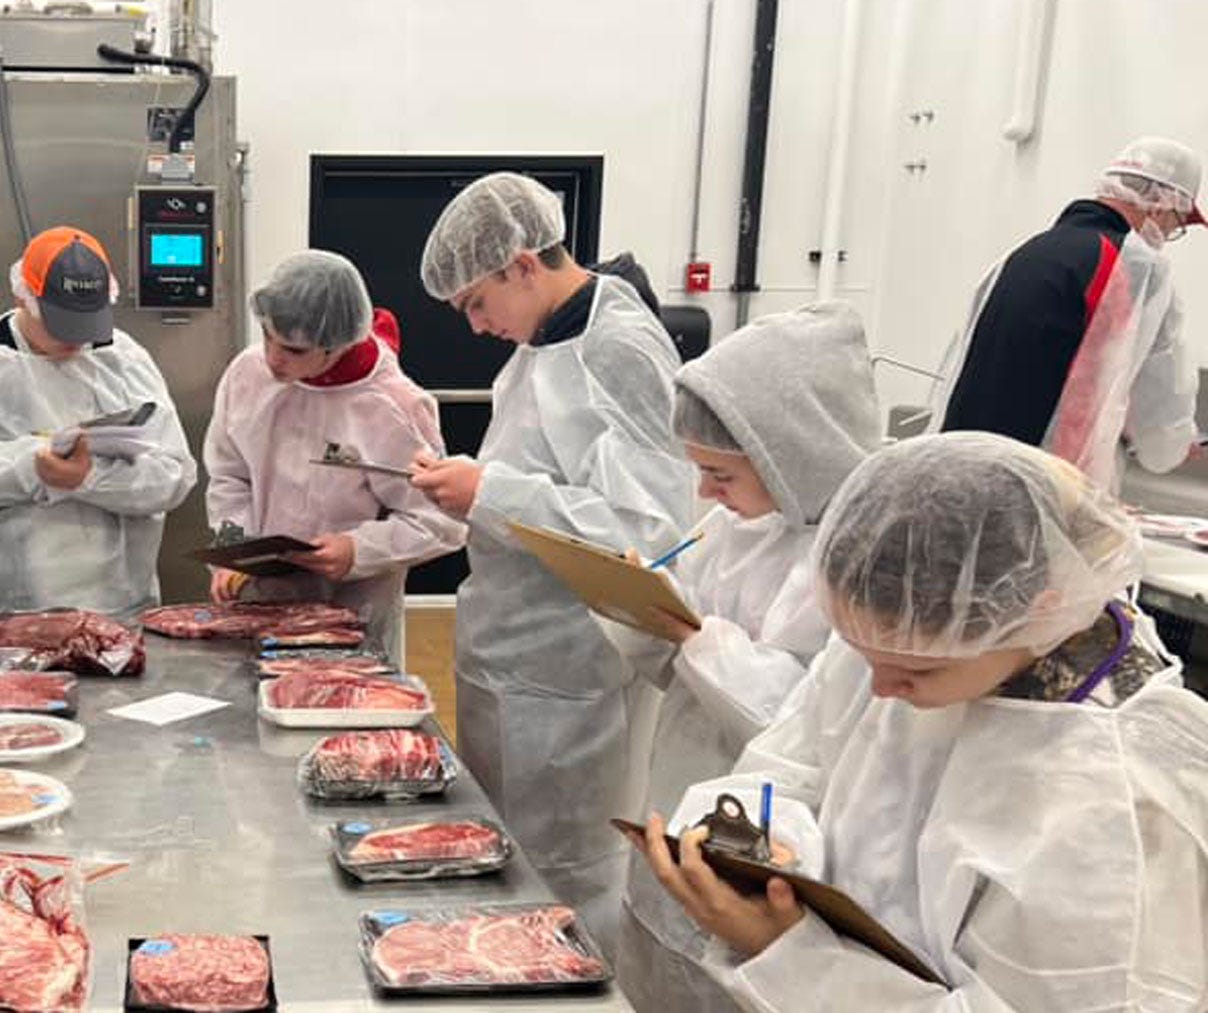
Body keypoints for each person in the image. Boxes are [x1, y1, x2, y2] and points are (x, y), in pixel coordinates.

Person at [636, 433, 1208, 1011]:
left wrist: (786, 955)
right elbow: (789, 763)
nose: (882, 690)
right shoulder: (904, 634)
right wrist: (765, 854)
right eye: (864, 658)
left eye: (917, 671)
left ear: (1034, 611)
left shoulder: (1118, 799)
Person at [410, 171, 695, 948]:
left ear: (522, 264)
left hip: (572, 670)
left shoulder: (618, 349)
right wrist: (474, 490)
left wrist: (490, 490)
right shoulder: (543, 344)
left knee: (568, 875)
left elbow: (647, 531)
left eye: (476, 301)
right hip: (509, 649)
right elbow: (551, 476)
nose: (474, 325)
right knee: (504, 858)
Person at [607, 302, 883, 1012]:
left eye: (721, 474)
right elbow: (673, 665)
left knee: (721, 981)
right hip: (681, 778)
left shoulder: (862, 562)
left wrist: (696, 636)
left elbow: (800, 721)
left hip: (766, 841)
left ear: (791, 456)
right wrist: (639, 607)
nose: (705, 493)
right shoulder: (737, 524)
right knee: (655, 964)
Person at [0, 225, 196, 627]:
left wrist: (88, 477)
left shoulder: (124, 360)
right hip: (4, 618)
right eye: (60, 323)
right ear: (22, 297)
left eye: (86, 325)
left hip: (116, 612)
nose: (75, 340)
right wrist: (32, 466)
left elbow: (175, 476)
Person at [202, 250, 465, 662]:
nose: (272, 358)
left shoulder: (393, 405)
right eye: (267, 335)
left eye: (291, 348)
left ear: (337, 345)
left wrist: (358, 550)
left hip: (354, 615)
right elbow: (229, 475)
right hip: (256, 604)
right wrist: (234, 547)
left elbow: (440, 520)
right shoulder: (247, 374)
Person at [933, 137, 1203, 489]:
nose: (1169, 234)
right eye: (1176, 224)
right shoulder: (1136, 268)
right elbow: (1159, 411)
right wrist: (1175, 443)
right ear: (1161, 206)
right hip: (1040, 489)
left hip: (955, 473)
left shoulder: (1025, 254)